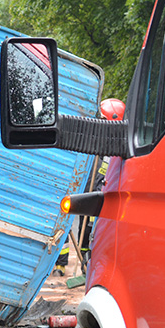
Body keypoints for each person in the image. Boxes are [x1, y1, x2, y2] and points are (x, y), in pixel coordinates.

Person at [53, 99, 125, 276]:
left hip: (101, 198)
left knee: (91, 233)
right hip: (84, 194)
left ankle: (88, 266)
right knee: (70, 227)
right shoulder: (89, 143)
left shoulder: (119, 150)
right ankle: (62, 266)